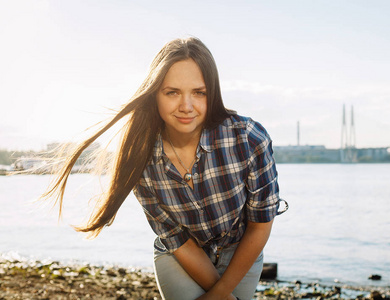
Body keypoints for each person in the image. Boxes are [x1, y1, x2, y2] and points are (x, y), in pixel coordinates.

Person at [42, 37, 287, 300]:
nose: (186, 106)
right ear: (155, 94)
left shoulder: (249, 139)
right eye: (172, 92)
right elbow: (176, 238)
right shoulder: (139, 158)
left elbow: (259, 226)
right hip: (180, 254)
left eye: (199, 92)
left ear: (212, 93)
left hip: (241, 251)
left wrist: (221, 293)